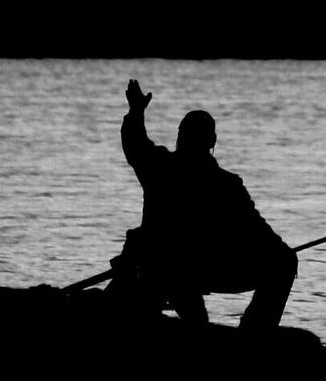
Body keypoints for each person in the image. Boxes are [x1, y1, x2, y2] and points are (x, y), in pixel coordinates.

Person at [109, 79, 297, 330]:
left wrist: (136, 111)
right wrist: (284, 255)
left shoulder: (160, 167)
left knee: (280, 261)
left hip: (178, 267)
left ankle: (247, 331)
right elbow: (261, 234)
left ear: (181, 138)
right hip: (179, 269)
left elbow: (135, 143)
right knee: (283, 262)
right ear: (212, 141)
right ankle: (255, 333)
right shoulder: (226, 184)